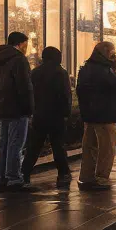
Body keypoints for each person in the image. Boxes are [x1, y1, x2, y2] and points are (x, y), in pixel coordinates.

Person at [0, 31, 35, 191]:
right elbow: (25, 87)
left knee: (5, 144)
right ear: (21, 44)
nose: (27, 49)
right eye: (26, 45)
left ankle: (1, 178)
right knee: (16, 144)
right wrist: (29, 109)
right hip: (17, 109)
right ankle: (13, 178)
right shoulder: (19, 59)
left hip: (1, 108)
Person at [76, 40, 116, 189]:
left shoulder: (86, 69)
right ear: (106, 53)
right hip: (105, 115)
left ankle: (86, 177)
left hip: (90, 115)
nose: (114, 54)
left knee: (89, 147)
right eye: (112, 52)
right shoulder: (104, 69)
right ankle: (101, 177)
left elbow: (80, 91)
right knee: (107, 148)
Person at [22, 46, 72, 185]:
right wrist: (66, 112)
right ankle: (63, 173)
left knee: (34, 147)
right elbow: (65, 95)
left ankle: (24, 173)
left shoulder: (35, 72)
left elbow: (30, 93)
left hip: (40, 114)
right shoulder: (60, 73)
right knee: (58, 146)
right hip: (56, 115)